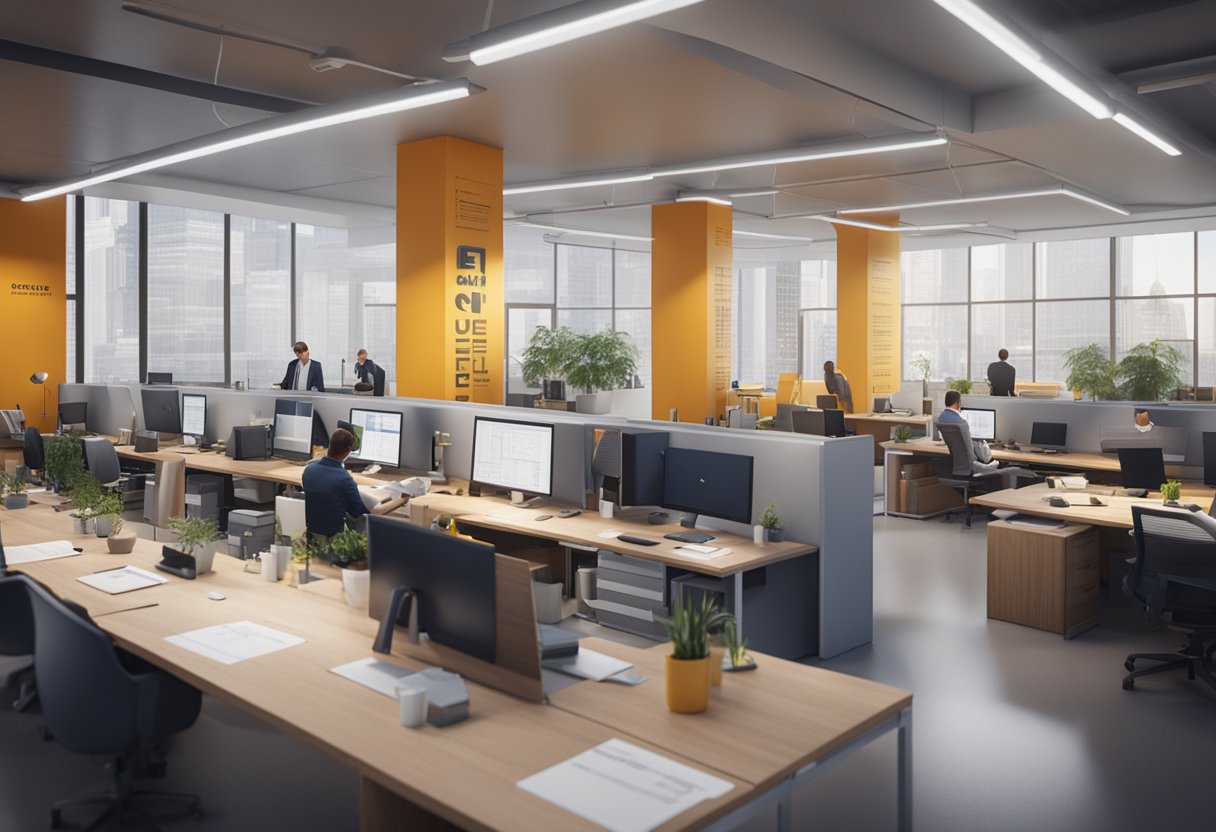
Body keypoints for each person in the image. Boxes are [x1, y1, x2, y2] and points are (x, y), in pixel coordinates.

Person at [301, 428, 408, 540]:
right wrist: (403, 500)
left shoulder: (309, 470)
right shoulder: (344, 478)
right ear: (349, 450)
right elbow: (360, 513)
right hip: (337, 541)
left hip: (312, 537)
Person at [938, 390, 998, 473]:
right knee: (998, 463)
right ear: (958, 403)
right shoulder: (962, 422)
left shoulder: (940, 418)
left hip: (955, 464)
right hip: (970, 466)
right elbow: (971, 451)